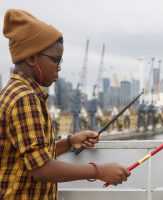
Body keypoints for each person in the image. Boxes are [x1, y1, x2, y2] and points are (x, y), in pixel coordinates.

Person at [0, 9, 131, 199]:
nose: (59, 68)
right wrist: (98, 171)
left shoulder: (16, 92)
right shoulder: (24, 99)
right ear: (31, 58)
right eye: (55, 60)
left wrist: (70, 142)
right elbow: (41, 169)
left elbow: (32, 155)